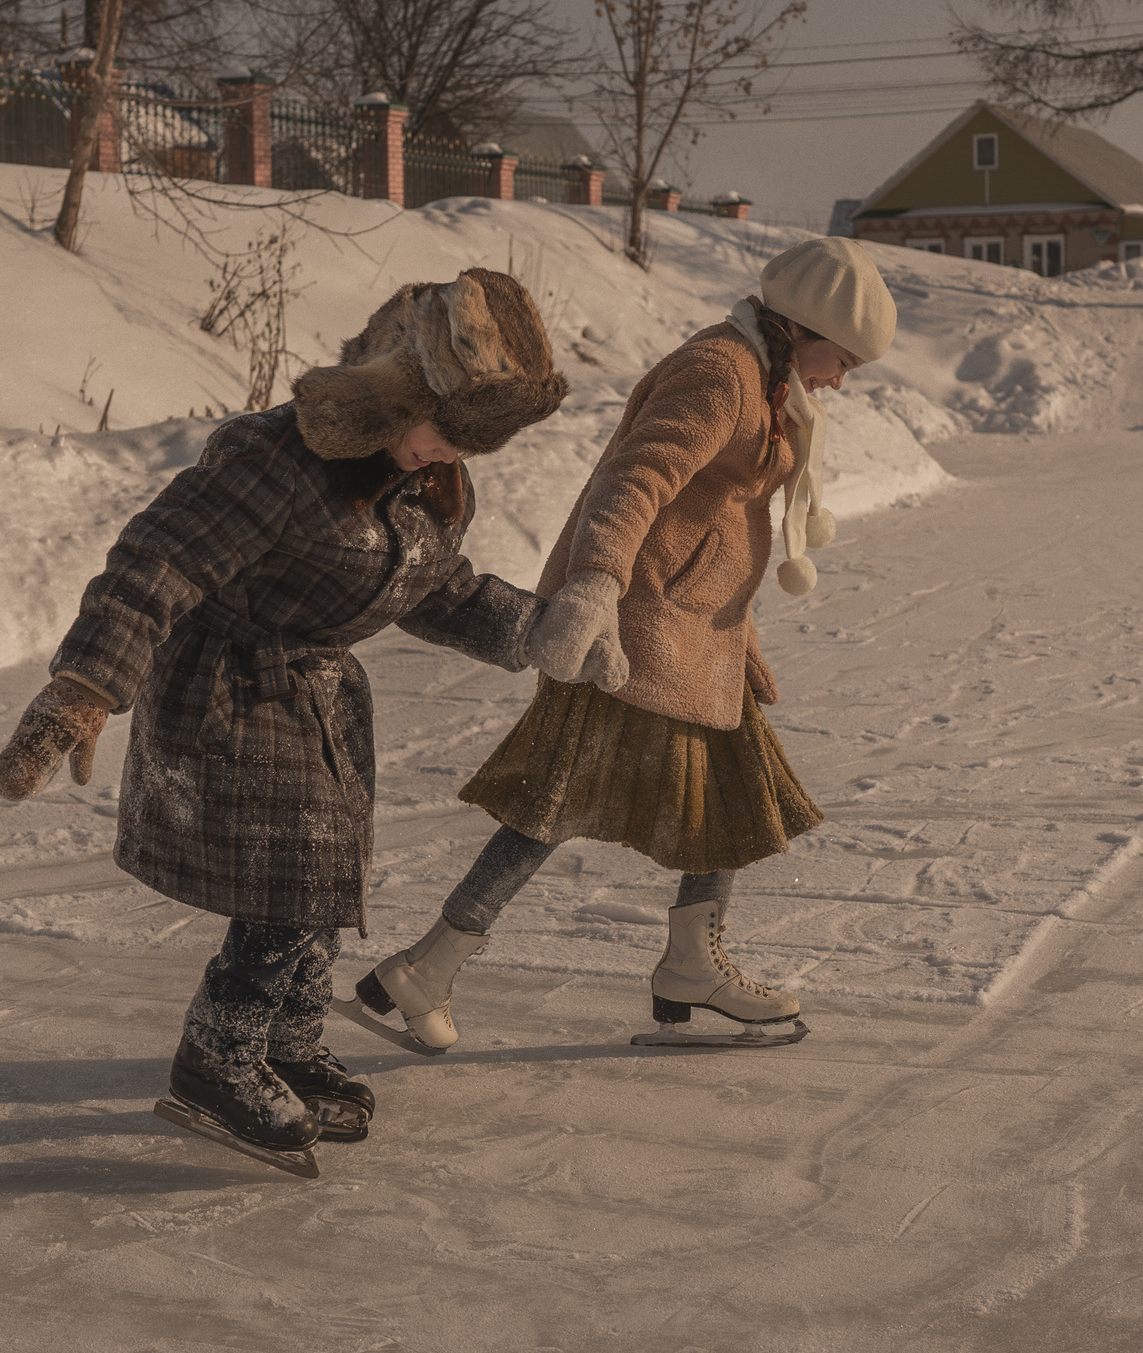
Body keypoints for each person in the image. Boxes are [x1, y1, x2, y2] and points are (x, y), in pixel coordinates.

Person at [0, 269, 603, 1177]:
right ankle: (219, 1057)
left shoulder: (423, 483)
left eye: (467, 445)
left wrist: (536, 628)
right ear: (399, 389)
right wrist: (83, 686)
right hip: (228, 684)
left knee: (321, 878)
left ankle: (287, 1042)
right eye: (443, 431)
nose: (445, 456)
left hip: (316, 694)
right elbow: (158, 562)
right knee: (291, 876)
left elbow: (435, 588)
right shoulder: (275, 461)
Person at [343, 237, 896, 1053]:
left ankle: (682, 966)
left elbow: (718, 521)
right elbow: (633, 480)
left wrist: (737, 640)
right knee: (557, 801)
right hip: (636, 633)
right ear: (799, 324)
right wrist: (596, 585)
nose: (838, 380)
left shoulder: (764, 378)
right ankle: (426, 969)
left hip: (694, 633)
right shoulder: (721, 373)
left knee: (722, 797)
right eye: (839, 358)